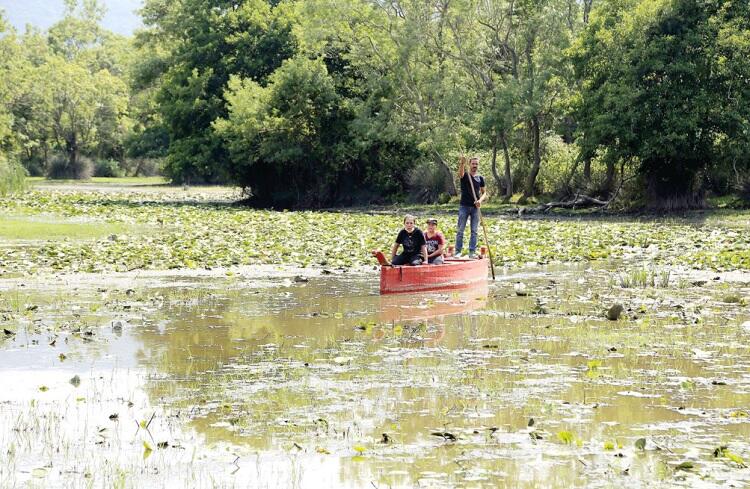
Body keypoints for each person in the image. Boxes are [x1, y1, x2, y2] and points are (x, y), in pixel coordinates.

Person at [455, 155, 487, 258]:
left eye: (476, 164)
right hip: (464, 206)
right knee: (460, 230)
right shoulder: (465, 175)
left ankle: (472, 252)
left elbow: (484, 192)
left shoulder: (480, 178)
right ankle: (458, 251)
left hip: (475, 208)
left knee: (474, 231)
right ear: (470, 164)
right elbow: (460, 174)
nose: (475, 165)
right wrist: (462, 163)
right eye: (473, 163)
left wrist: (480, 201)